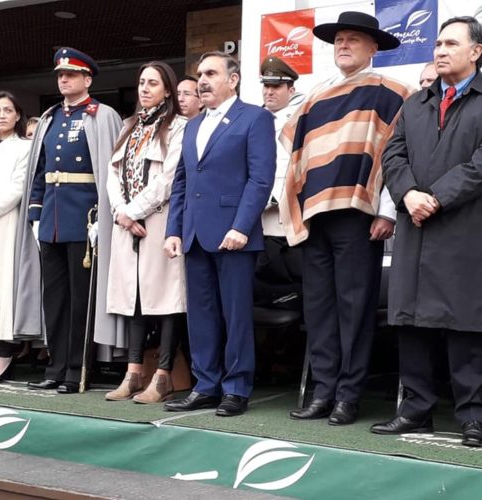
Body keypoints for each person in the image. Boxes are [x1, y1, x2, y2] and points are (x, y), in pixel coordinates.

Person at [281, 11, 413, 425]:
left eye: (354, 39)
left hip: (359, 215)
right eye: (339, 39)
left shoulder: (391, 92)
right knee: (319, 308)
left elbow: (396, 155)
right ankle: (323, 391)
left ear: (373, 48)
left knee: (353, 308)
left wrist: (387, 211)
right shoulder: (315, 98)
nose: (343, 45)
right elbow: (297, 157)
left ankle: (348, 396)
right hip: (316, 214)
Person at [371, 16, 482, 448]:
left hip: (464, 228)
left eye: (451, 43)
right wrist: (409, 195)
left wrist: (434, 196)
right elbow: (392, 155)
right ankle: (415, 411)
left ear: (475, 51)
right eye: (437, 43)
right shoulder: (415, 103)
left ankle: (473, 416)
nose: (439, 50)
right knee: (412, 321)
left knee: (465, 324)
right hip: (415, 227)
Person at [164, 51, 276, 416]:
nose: (202, 81)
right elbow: (181, 182)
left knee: (236, 315)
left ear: (234, 79)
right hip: (195, 234)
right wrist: (174, 230)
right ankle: (205, 385)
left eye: (211, 73)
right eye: (200, 75)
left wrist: (241, 226)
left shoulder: (255, 118)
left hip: (234, 235)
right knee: (201, 315)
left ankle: (237, 388)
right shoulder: (193, 125)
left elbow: (260, 179)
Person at [16, 47, 123, 394]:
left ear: (87, 79)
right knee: (55, 298)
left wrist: (101, 216)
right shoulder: (50, 117)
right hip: (51, 219)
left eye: (71, 74)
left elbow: (108, 171)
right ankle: (56, 365)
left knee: (81, 301)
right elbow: (41, 169)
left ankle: (77, 368)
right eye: (60, 75)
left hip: (84, 220)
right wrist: (35, 212)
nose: (64, 79)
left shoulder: (100, 115)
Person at [104, 61, 187, 403]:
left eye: (152, 83)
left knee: (166, 300)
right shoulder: (129, 126)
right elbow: (112, 174)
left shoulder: (179, 127)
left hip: (158, 221)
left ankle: (164, 376)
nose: (144, 88)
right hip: (127, 224)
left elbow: (168, 179)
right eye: (141, 82)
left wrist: (133, 211)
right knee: (134, 299)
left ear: (167, 89)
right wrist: (120, 213)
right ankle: (133, 372)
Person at [0, 91, 30, 382]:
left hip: (4, 223)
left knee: (2, 288)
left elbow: (17, 187)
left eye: (7, 110)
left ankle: (5, 350)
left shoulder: (23, 147)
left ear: (17, 115)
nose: (1, 115)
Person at [259, 56, 304, 237]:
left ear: (291, 90)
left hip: (284, 216)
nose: (269, 91)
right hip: (253, 218)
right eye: (266, 86)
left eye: (276, 87)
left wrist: (273, 197)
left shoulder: (300, 121)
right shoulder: (251, 120)